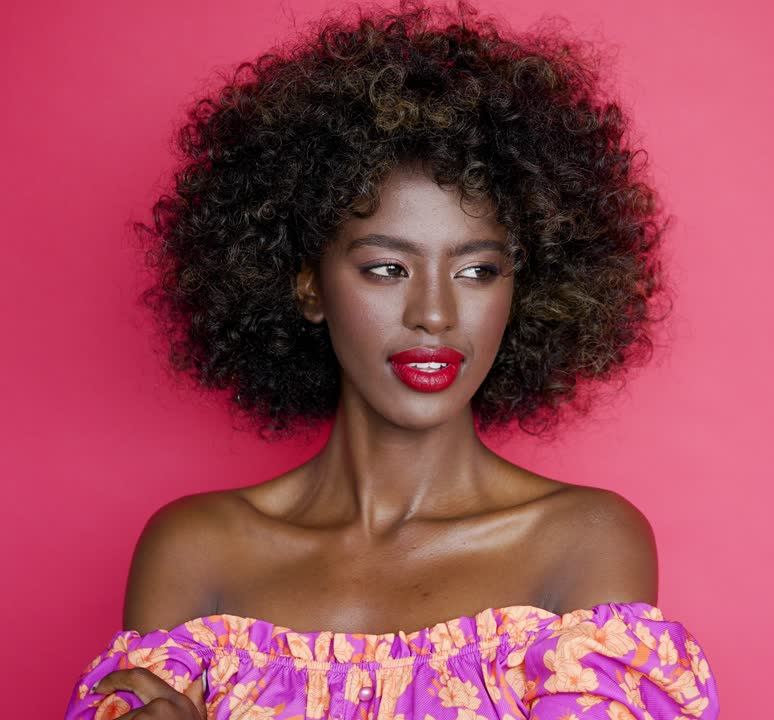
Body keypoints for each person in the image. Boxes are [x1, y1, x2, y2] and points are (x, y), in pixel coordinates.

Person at [62, 1, 720, 718]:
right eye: (386, 269)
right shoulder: (195, 550)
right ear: (309, 286)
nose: (434, 314)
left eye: (477, 271)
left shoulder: (583, 542)